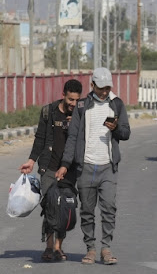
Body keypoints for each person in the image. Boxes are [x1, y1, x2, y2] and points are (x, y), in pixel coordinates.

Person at [56, 67, 131, 265]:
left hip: (108, 167)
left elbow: (126, 132)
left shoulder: (117, 104)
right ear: (92, 85)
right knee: (87, 211)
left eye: (107, 88)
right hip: (86, 167)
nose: (104, 92)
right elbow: (72, 137)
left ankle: (106, 248)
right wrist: (65, 164)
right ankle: (90, 248)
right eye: (101, 88)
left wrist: (115, 130)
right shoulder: (82, 106)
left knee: (109, 208)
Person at [19, 79, 83, 262]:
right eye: (70, 99)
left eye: (76, 100)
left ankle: (58, 247)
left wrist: (76, 126)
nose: (72, 104)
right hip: (48, 168)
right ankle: (48, 247)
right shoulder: (49, 111)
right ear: (63, 95)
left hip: (70, 170)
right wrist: (31, 160)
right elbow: (40, 138)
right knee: (49, 207)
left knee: (64, 208)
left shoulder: (80, 113)